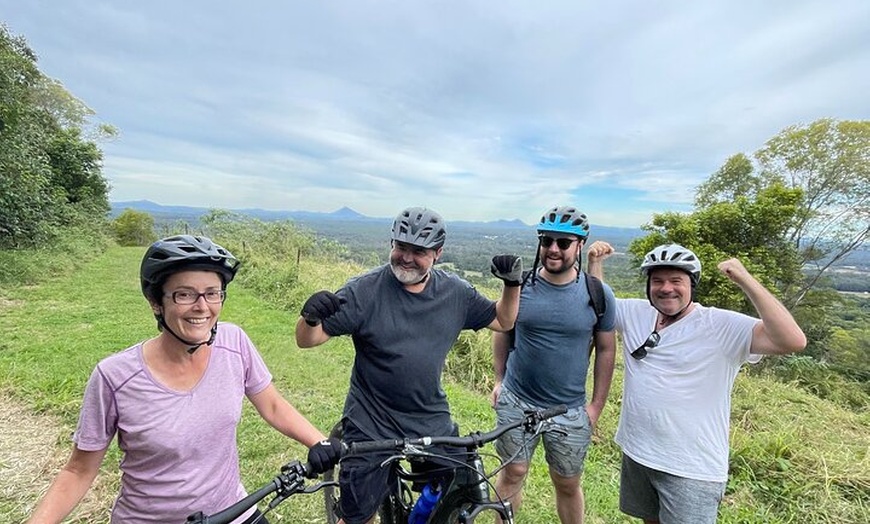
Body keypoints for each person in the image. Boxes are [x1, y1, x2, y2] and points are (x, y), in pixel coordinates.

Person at [27, 235, 341, 524]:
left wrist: (319, 441)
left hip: (233, 510)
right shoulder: (114, 377)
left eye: (212, 293)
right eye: (184, 294)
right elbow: (78, 470)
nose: (202, 307)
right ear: (156, 303)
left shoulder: (234, 342)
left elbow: (271, 404)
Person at [295, 206, 523, 524]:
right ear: (392, 244)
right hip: (371, 421)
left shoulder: (455, 293)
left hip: (430, 416)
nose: (406, 257)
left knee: (460, 486)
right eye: (401, 247)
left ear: (437, 253)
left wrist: (512, 285)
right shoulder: (365, 290)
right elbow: (308, 339)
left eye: (418, 251)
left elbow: (502, 319)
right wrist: (310, 317)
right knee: (358, 515)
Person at [586, 241, 807, 524]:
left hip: (690, 467)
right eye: (658, 281)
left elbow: (792, 340)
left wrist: (745, 279)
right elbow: (599, 307)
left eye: (676, 280)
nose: (666, 288)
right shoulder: (637, 313)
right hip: (638, 452)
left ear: (692, 285)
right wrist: (595, 264)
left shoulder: (721, 326)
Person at [490, 205, 617, 524]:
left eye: (563, 242)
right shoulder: (522, 286)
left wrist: (596, 406)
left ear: (580, 245)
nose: (553, 249)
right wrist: (498, 379)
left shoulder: (597, 294)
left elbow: (605, 349)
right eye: (547, 241)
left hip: (569, 409)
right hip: (517, 399)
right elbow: (503, 329)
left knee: (567, 482)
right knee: (513, 472)